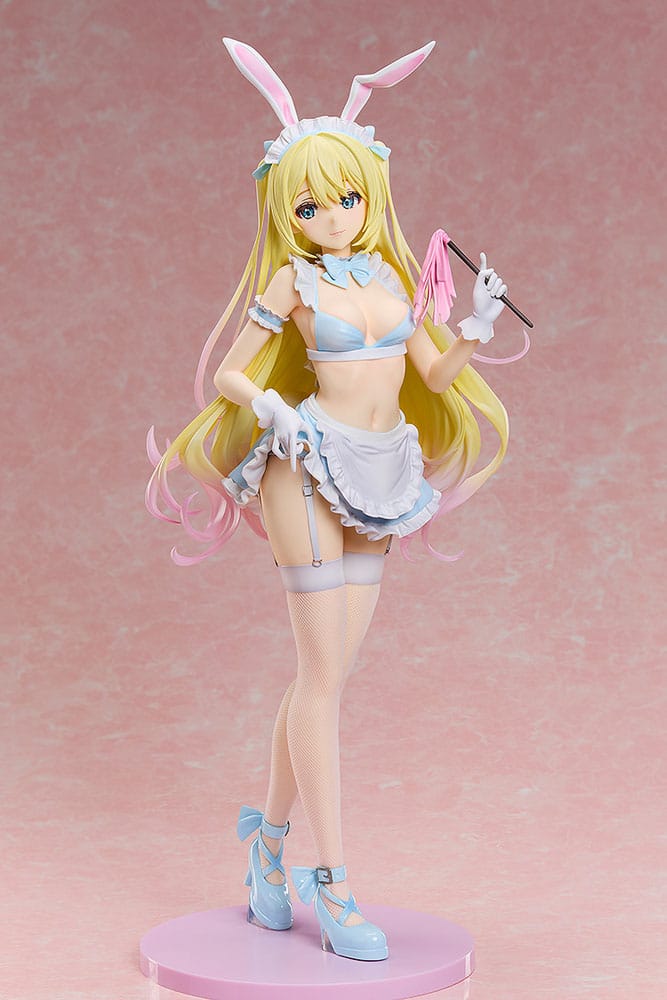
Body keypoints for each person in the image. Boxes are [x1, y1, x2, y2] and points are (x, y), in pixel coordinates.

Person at [146, 37, 518, 962]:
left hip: (382, 472)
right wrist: (274, 409)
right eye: (309, 204)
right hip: (305, 468)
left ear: (371, 194)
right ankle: (335, 882)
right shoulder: (293, 278)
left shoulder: (391, 275)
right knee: (321, 680)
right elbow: (232, 374)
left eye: (346, 197)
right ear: (287, 209)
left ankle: (266, 849)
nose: (331, 215)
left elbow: (432, 372)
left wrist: (473, 328)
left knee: (325, 678)